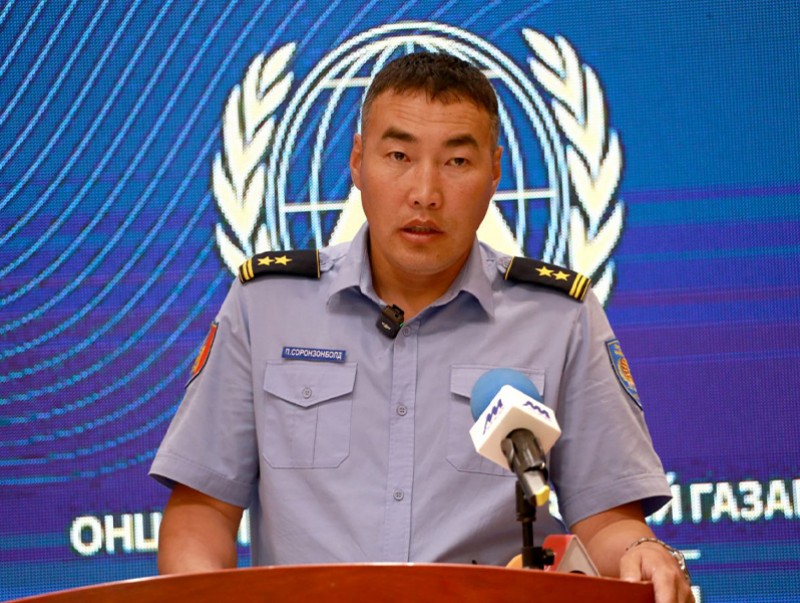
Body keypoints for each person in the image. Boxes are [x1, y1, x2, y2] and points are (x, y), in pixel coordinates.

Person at [150, 52, 693, 603]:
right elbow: (202, 511)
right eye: (399, 156)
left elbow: (607, 518)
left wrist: (639, 551)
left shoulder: (558, 318)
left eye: (456, 161)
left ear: (494, 172)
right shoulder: (268, 305)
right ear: (357, 162)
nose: (425, 192)